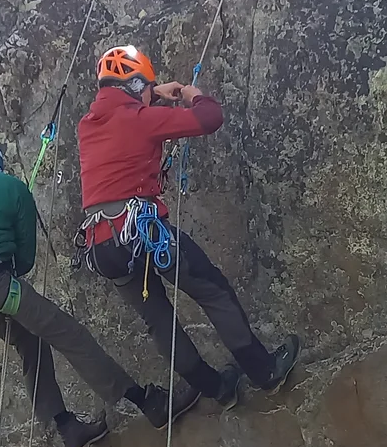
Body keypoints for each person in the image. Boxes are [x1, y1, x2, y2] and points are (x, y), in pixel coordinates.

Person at [0, 141, 181, 447]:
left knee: (31, 341)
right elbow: (26, 260)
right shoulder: (14, 188)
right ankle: (146, 402)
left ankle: (66, 428)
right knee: (69, 335)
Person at [76, 45, 301, 409]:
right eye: (146, 87)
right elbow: (209, 117)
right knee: (212, 291)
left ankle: (217, 389)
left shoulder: (87, 125)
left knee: (159, 321)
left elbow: (127, 116)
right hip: (142, 232)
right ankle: (265, 372)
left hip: (101, 246)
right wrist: (191, 95)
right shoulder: (140, 119)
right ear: (135, 86)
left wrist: (152, 94)